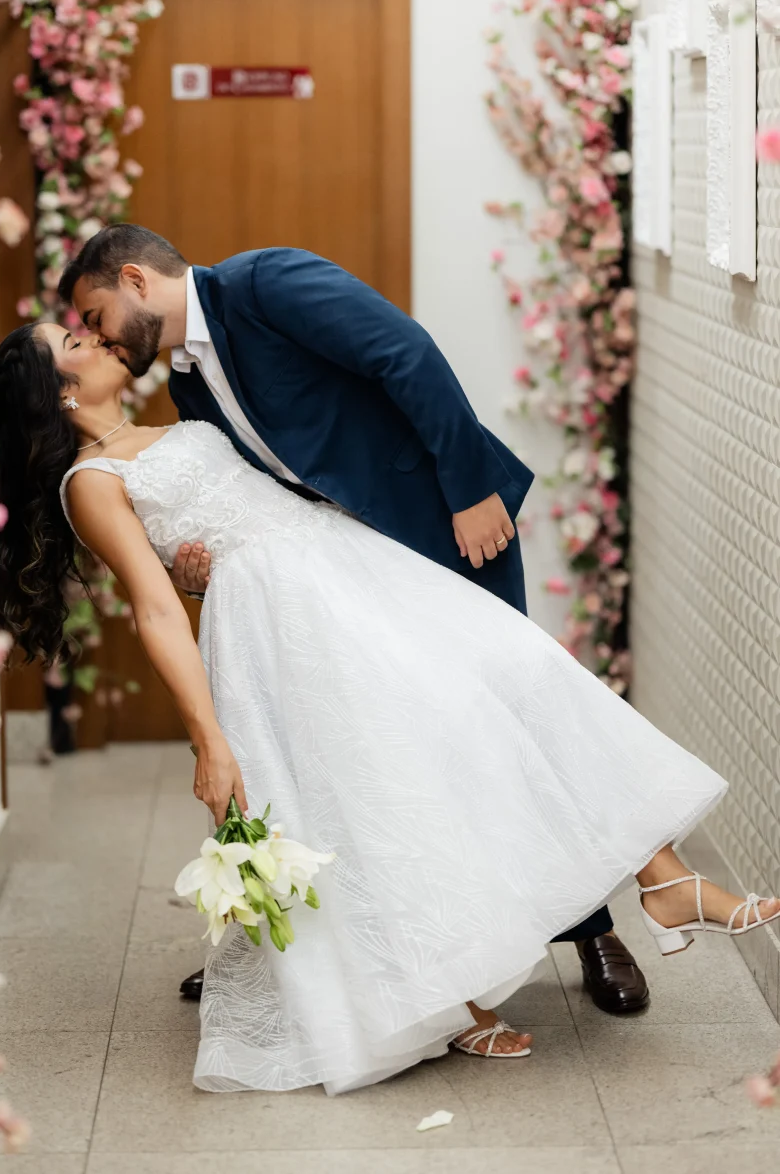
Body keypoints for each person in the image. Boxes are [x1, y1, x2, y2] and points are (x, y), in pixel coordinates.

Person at [0, 319, 780, 1094]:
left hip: (349, 567)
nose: (91, 338)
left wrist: (209, 565)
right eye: (72, 343)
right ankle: (444, 993)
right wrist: (209, 739)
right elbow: (156, 611)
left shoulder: (173, 423)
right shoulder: (91, 482)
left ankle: (662, 874)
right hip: (284, 622)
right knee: (378, 784)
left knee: (522, 670)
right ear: (54, 395)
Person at [57, 225, 649, 1016]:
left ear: (133, 279)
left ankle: (593, 930)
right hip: (351, 569)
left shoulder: (264, 282)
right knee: (390, 755)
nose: (96, 336)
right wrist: (199, 565)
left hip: (447, 527)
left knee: (505, 726)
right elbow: (265, 496)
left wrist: (469, 492)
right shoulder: (189, 389)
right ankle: (338, 947)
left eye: (93, 315)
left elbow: (404, 352)